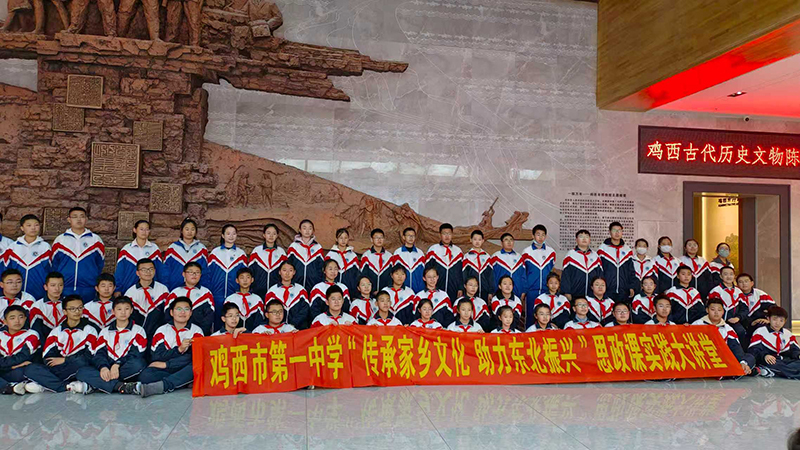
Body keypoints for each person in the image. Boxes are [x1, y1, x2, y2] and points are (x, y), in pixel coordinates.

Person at [118, 297, 204, 398]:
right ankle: (182, 382)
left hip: (180, 367)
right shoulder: (162, 330)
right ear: (171, 312)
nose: (182, 312)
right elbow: (157, 356)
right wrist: (178, 350)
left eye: (186, 309)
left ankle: (161, 386)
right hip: (164, 370)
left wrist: (167, 364)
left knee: (195, 367)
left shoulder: (196, 331)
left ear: (191, 312)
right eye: (178, 309)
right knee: (145, 376)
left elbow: (193, 358)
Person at [21, 295, 98, 393]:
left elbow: (89, 356)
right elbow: (48, 357)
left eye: (80, 308)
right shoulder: (56, 331)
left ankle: (47, 384)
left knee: (81, 365)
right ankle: (67, 386)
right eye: (72, 309)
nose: (77, 311)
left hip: (77, 366)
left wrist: (66, 360)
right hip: (60, 368)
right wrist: (62, 362)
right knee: (31, 369)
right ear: (65, 311)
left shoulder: (90, 330)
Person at [72, 296, 147, 394]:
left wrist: (117, 364)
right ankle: (121, 386)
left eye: (126, 309)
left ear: (131, 311)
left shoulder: (138, 330)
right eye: (119, 309)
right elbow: (99, 353)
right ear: (113, 311)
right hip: (108, 367)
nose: (123, 312)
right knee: (81, 372)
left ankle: (98, 385)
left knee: (139, 364)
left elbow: (136, 354)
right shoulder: (105, 331)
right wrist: (103, 367)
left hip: (124, 367)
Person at [51, 207, 105, 302]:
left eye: (82, 216)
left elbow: (99, 264)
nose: (79, 219)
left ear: (86, 219)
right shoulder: (60, 240)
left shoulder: (96, 240)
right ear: (69, 219)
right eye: (75, 217)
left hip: (89, 288)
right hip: (64, 288)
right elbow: (54, 264)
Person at [692, 298, 754, 376]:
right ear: (707, 310)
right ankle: (735, 373)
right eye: (713, 309)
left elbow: (735, 347)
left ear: (723, 312)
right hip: (702, 357)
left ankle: (742, 368)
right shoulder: (697, 324)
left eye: (719, 310)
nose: (716, 313)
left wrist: (742, 362)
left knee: (750, 357)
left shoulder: (728, 329)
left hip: (721, 359)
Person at [204, 224, 248, 329]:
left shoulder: (241, 254)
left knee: (233, 322)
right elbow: (208, 274)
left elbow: (245, 275)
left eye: (234, 234)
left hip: (234, 294)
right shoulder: (215, 253)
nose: (231, 236)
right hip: (217, 295)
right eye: (228, 233)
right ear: (223, 235)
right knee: (216, 322)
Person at [5, 214, 51, 301]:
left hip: (39, 291)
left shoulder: (45, 247)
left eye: (36, 225)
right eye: (29, 225)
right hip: (16, 292)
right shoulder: (13, 247)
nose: (33, 228)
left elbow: (49, 269)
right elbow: (6, 269)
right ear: (22, 228)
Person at [125, 258, 168, 347]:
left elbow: (167, 312)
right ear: (138, 273)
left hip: (157, 333)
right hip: (136, 334)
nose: (148, 272)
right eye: (144, 270)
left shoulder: (163, 289)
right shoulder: (130, 292)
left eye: (151, 269)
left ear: (155, 271)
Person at [748, 306, 800, 379]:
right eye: (775, 319)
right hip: (769, 361)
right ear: (768, 318)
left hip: (784, 360)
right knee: (776, 365)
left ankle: (771, 372)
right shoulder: (760, 331)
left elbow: (795, 350)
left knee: (794, 364)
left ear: (785, 321)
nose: (778, 323)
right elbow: (753, 350)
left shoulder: (788, 334)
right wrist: (765, 356)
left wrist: (798, 355)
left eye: (781, 320)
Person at [114, 220, 163, 296]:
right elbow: (120, 272)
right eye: (141, 229)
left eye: (147, 229)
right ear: (135, 230)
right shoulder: (126, 249)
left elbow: (160, 271)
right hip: (129, 288)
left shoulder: (154, 249)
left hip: (151, 289)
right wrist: (117, 289)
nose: (144, 232)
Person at [165, 262, 215, 335]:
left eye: (197, 272)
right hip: (176, 333)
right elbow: (168, 314)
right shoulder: (175, 293)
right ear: (184, 274)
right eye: (190, 272)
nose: (194, 275)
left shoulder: (206, 293)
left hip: (200, 334)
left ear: (201, 275)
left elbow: (209, 317)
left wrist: (199, 333)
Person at [0, 306, 39, 395]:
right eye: (12, 318)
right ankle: (12, 387)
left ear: (25, 319)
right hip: (7, 369)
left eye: (21, 317)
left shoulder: (32, 334)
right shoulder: (1, 335)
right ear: (5, 321)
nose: (17, 321)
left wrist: (10, 366)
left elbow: (23, 357)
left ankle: (10, 387)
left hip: (20, 371)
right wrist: (11, 367)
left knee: (27, 370)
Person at [161, 218, 208, 291]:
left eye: (192, 229)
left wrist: (204, 288)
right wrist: (165, 288)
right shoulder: (173, 248)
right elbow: (166, 270)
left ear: (196, 231)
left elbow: (205, 271)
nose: (190, 232)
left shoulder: (201, 249)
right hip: (175, 288)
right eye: (187, 229)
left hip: (196, 289)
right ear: (181, 230)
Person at [707, 266, 749, 347]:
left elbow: (745, 309)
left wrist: (738, 318)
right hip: (718, 321)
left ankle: (739, 353)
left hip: (734, 321)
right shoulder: (716, 291)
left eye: (731, 274)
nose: (728, 277)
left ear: (734, 276)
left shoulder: (738, 292)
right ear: (721, 276)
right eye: (725, 274)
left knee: (741, 332)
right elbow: (711, 308)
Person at [263, 261, 309, 330]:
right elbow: (269, 310)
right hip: (277, 329)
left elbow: (304, 310)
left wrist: (293, 324)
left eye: (290, 270)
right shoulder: (272, 291)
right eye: (284, 270)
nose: (287, 273)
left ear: (294, 272)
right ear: (279, 272)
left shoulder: (301, 290)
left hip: (297, 329)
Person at [425, 223, 464, 301]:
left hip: (454, 289)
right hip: (436, 288)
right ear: (440, 235)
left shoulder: (458, 251)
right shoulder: (433, 250)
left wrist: (460, 287)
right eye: (444, 233)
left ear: (452, 234)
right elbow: (427, 270)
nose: (447, 236)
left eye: (449, 233)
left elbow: (461, 272)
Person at [597, 222, 635, 301]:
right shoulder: (603, 249)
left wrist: (631, 286)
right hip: (607, 290)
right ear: (610, 232)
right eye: (614, 230)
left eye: (619, 230)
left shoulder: (627, 250)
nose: (617, 233)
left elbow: (631, 271)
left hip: (624, 290)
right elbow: (599, 271)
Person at [561, 230, 602, 301]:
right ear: (576, 240)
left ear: (589, 240)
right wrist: (567, 292)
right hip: (575, 294)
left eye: (586, 237)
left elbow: (600, 275)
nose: (584, 239)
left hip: (592, 295)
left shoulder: (595, 256)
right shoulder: (570, 255)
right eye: (581, 237)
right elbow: (566, 276)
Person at [522, 224, 556, 312]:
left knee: (546, 314)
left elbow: (551, 270)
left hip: (547, 290)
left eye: (543, 235)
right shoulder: (526, 252)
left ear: (546, 236)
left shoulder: (551, 252)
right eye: (538, 234)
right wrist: (525, 289)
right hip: (531, 290)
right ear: (533, 236)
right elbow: (523, 273)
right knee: (531, 314)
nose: (540, 237)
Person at [249, 223, 287, 299]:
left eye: (274, 234)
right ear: (264, 235)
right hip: (258, 291)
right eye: (268, 233)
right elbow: (250, 271)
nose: (271, 236)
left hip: (276, 291)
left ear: (277, 236)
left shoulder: (281, 252)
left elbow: (285, 271)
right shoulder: (257, 251)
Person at [286, 220, 324, 293]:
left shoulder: (318, 247)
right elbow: (288, 264)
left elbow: (321, 267)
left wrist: (317, 279)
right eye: (304, 228)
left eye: (310, 228)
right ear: (300, 230)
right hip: (296, 283)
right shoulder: (293, 246)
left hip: (313, 283)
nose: (307, 231)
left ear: (313, 231)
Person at [28, 272, 65, 341]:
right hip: (43, 342)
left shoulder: (69, 303)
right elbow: (36, 332)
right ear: (45, 287)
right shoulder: (37, 306)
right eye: (53, 285)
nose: (57, 288)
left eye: (60, 285)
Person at [326, 228, 360, 297]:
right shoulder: (330, 255)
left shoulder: (353, 256)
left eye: (345, 238)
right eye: (341, 238)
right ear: (336, 239)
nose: (343, 240)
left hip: (349, 289)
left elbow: (356, 275)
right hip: (333, 289)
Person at [491, 233, 526, 299]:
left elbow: (523, 275)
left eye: (511, 240)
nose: (509, 242)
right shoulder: (496, 257)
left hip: (517, 292)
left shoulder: (519, 257)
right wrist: (491, 291)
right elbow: (492, 276)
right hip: (500, 293)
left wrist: (524, 290)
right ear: (501, 243)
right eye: (506, 240)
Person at [463, 230, 494, 301]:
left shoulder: (487, 257)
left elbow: (490, 275)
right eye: (475, 239)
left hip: (485, 290)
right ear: (471, 240)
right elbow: (464, 275)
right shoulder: (467, 257)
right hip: (471, 291)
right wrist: (463, 288)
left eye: (479, 239)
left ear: (483, 241)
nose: (477, 242)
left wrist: (490, 291)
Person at [393, 227, 426, 294]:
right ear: (403, 237)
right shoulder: (398, 253)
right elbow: (394, 272)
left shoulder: (420, 253)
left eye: (413, 236)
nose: (411, 237)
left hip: (418, 289)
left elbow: (423, 272)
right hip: (402, 289)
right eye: (409, 235)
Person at [360, 228, 393, 294]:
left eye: (381, 237)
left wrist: (387, 290)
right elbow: (363, 275)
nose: (379, 240)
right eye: (376, 238)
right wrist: (371, 290)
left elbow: (391, 275)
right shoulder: (366, 256)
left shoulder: (389, 256)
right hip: (370, 293)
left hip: (385, 293)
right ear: (371, 240)